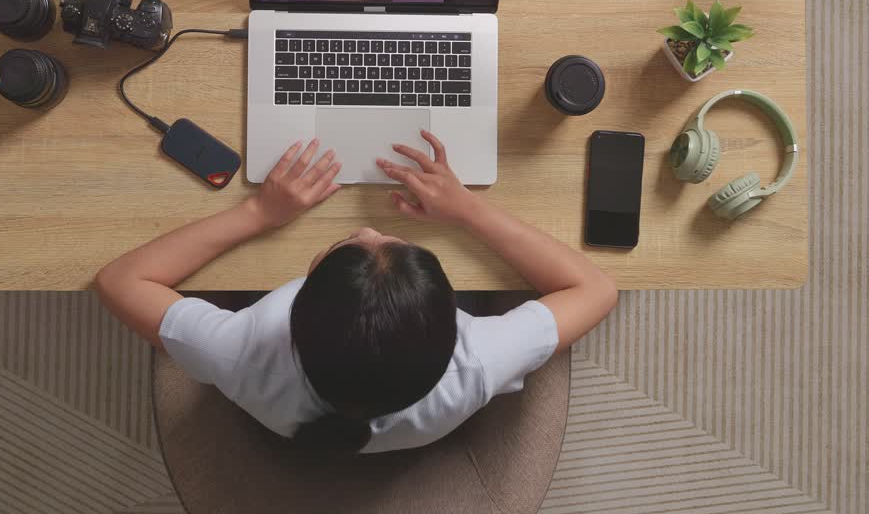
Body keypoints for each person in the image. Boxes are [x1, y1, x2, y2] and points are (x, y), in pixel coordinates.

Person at [95, 132, 618, 454]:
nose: (370, 233)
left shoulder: (241, 352)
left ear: (295, 314)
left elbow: (120, 281)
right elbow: (594, 288)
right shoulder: (477, 362)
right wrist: (469, 210)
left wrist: (259, 213)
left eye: (349, 246)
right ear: (452, 324)